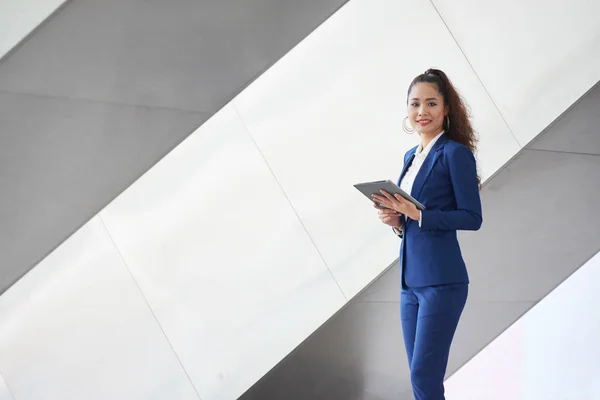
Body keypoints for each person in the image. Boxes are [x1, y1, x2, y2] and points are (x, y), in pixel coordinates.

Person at [371, 68, 482, 400]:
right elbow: (412, 224)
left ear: (446, 109)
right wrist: (396, 220)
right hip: (410, 283)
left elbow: (472, 217)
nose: (422, 112)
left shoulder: (455, 154)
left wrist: (418, 213)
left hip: (442, 282)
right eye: (415, 104)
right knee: (421, 377)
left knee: (424, 376)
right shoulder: (410, 156)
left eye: (431, 103)